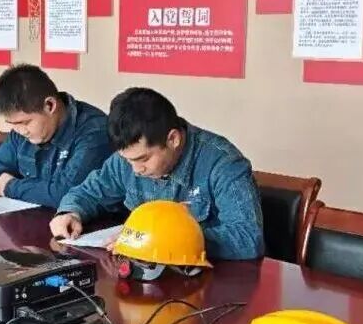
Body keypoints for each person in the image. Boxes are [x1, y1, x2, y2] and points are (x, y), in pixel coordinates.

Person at [50, 87, 264, 261]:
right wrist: (70, 212)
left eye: (143, 159)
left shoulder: (223, 163)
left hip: (210, 281)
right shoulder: (128, 160)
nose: (136, 169)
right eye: (128, 160)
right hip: (147, 274)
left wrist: (162, 239)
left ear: (173, 139)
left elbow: (248, 238)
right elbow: (88, 192)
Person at [0, 64, 111, 210]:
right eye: (13, 124)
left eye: (25, 123)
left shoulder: (93, 132)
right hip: (32, 222)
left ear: (50, 105)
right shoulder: (22, 132)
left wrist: (11, 187)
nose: (20, 131)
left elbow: (69, 194)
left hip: (84, 231)